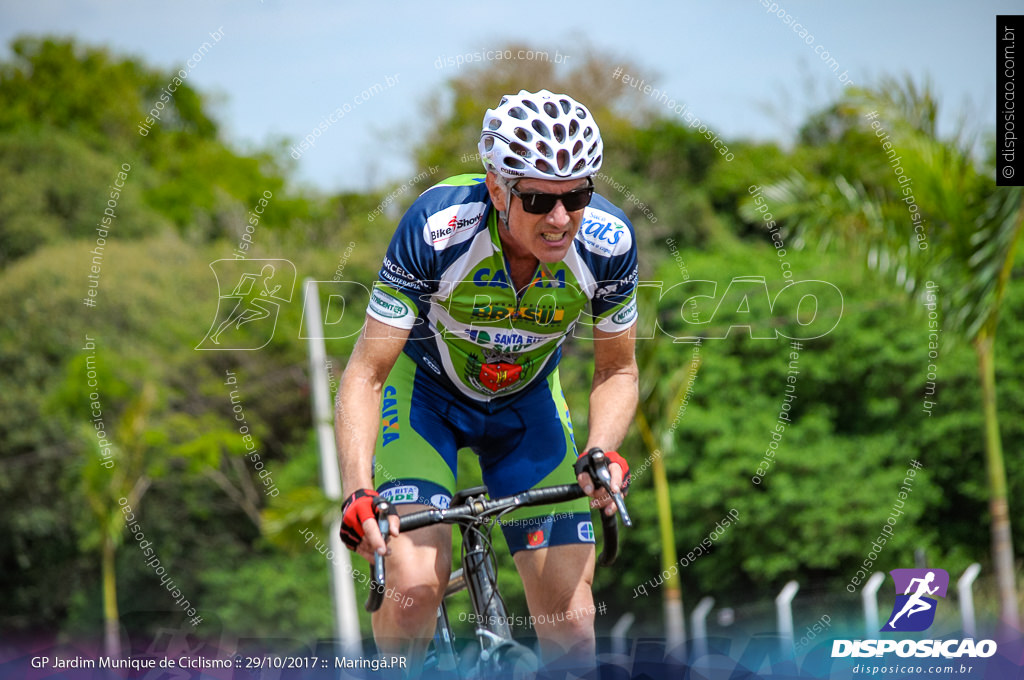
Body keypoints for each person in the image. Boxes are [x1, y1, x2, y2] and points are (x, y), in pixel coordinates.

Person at [334, 89, 639, 668]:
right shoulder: (439, 227)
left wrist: (602, 449)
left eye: (576, 196)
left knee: (572, 622)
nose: (559, 218)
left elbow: (617, 369)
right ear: (497, 189)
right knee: (413, 592)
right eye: (537, 199)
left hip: (527, 412)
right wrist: (357, 490)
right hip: (425, 400)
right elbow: (366, 373)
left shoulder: (607, 243)